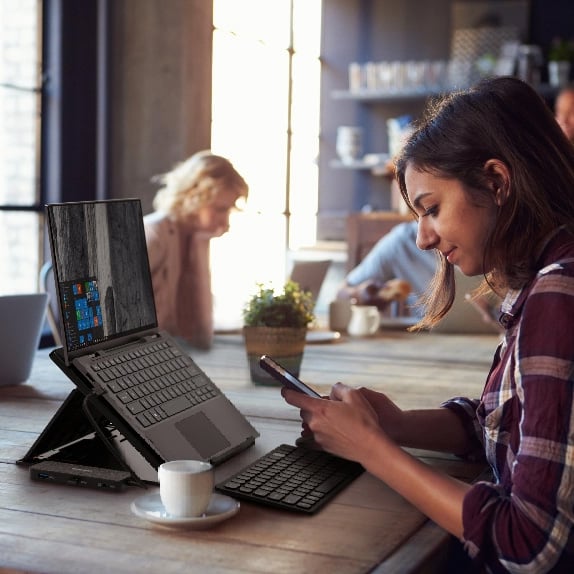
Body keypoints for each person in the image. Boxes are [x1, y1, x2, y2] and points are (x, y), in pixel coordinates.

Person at [282, 76, 574, 572]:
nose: (421, 239)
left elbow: (528, 544)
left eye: (432, 208)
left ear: (497, 182)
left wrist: (371, 449)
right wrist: (395, 424)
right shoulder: (543, 280)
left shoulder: (559, 294)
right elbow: (498, 425)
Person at [144, 150, 248, 349]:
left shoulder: (196, 236)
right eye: (220, 209)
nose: (225, 221)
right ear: (194, 196)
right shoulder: (153, 234)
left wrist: (200, 246)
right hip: (148, 355)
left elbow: (202, 332)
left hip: (177, 352)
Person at [336, 219, 436, 317]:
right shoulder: (401, 241)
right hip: (427, 333)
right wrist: (358, 294)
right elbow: (340, 294)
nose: (421, 240)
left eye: (434, 210)